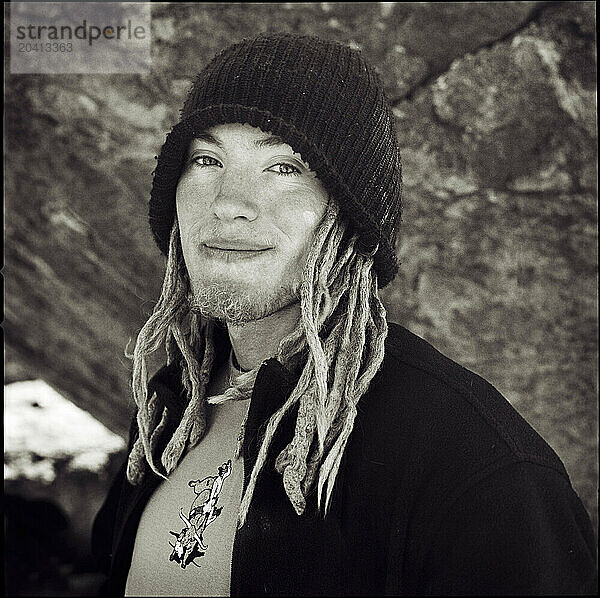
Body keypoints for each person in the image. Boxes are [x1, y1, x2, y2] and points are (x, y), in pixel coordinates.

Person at [92, 33, 597, 596]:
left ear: (351, 215)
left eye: (284, 168)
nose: (228, 202)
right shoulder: (169, 414)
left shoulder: (474, 469)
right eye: (206, 160)